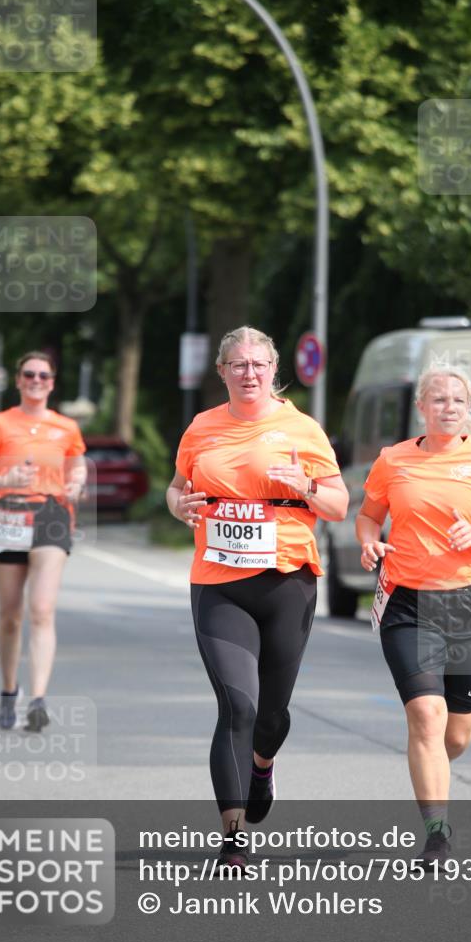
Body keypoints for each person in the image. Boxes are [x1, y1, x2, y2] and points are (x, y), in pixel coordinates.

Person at [167, 326, 348, 871]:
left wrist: (305, 486)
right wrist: (179, 506)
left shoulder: (303, 429)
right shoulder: (202, 427)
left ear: (274, 371)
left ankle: (262, 765)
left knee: (270, 715)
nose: (250, 373)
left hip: (287, 583)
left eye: (259, 364)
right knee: (237, 706)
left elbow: (338, 505)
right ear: (222, 371)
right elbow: (176, 488)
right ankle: (233, 836)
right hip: (219, 582)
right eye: (239, 365)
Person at [355, 362, 471, 867]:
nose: (448, 407)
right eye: (439, 399)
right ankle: (436, 835)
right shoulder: (393, 460)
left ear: (466, 407)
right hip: (408, 602)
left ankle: (428, 766)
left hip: (469, 604)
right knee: (426, 716)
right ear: (421, 406)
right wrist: (369, 542)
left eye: (457, 400)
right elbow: (368, 516)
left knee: (456, 735)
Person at [0, 352, 87, 732]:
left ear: (52, 383)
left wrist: (76, 483)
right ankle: (8, 689)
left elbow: (77, 465)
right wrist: (2, 481)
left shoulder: (66, 427)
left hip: (51, 515)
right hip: (7, 517)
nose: (36, 380)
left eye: (43, 375)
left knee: (42, 610)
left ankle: (38, 699)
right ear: (18, 380)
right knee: (11, 616)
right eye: (29, 374)